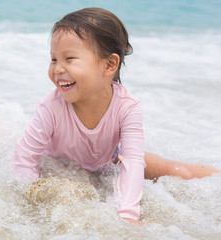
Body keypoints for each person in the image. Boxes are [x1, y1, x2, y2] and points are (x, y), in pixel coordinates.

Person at [13, 8, 220, 226]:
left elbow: (132, 161)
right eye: (53, 59)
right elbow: (24, 157)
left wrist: (128, 214)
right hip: (60, 165)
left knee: (177, 172)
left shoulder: (127, 107)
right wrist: (31, 197)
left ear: (109, 65)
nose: (57, 69)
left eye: (69, 59)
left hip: (110, 160)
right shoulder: (50, 107)